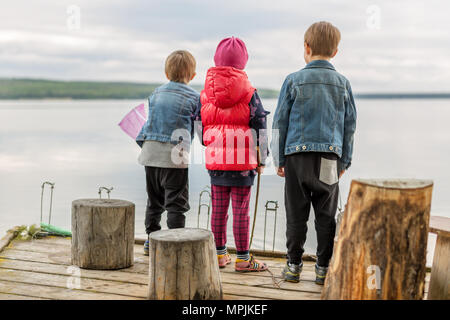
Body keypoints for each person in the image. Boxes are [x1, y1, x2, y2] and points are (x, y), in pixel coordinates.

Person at [271, 21, 357, 284]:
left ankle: (294, 267)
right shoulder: (343, 83)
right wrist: (345, 160)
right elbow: (349, 126)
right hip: (329, 157)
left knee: (296, 213)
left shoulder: (293, 80)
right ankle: (323, 270)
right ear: (336, 52)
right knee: (326, 214)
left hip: (296, 157)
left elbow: (279, 123)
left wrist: (279, 158)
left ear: (306, 47)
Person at [196, 36, 269, 272]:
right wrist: (262, 159)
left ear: (217, 60)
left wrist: (209, 145)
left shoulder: (205, 93)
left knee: (218, 208)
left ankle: (219, 256)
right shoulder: (249, 93)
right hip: (242, 164)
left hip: (216, 162)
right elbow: (260, 125)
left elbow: (199, 124)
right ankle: (243, 259)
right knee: (241, 210)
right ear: (243, 63)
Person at [136, 50, 199, 255]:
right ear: (192, 76)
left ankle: (151, 240)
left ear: (166, 73)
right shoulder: (195, 97)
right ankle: (175, 244)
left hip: (150, 153)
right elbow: (201, 129)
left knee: (154, 201)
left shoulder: (155, 93)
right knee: (176, 203)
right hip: (176, 155)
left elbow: (148, 124)